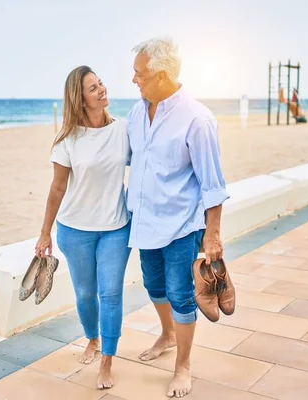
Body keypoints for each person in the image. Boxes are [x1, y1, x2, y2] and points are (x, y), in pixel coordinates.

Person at [127, 37, 229, 398]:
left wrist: (213, 237)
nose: (133, 80)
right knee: (154, 287)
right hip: (143, 222)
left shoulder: (197, 119)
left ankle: (183, 365)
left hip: (180, 227)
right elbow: (125, 157)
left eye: (139, 73)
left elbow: (213, 185)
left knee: (182, 296)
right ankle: (168, 334)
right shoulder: (136, 112)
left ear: (161, 74)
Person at [35, 65, 131, 390]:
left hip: (117, 228)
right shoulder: (68, 140)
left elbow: (149, 165)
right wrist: (45, 232)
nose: (102, 89)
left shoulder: (124, 131)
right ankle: (92, 337)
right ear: (80, 99)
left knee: (112, 294)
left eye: (100, 82)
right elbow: (57, 188)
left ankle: (107, 358)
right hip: (74, 230)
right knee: (86, 294)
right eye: (93, 88)